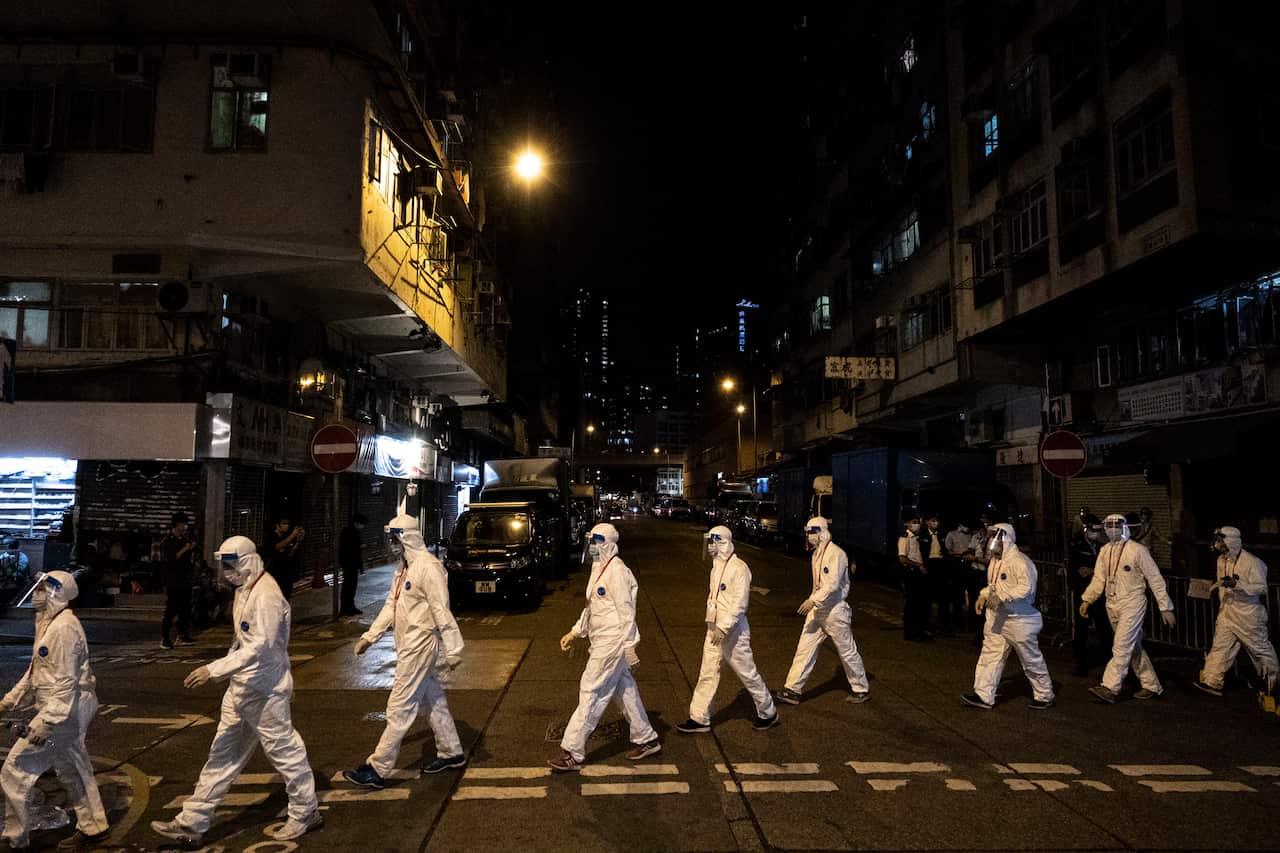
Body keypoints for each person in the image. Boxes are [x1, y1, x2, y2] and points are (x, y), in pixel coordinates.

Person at [151, 536, 320, 847]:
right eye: (225, 566)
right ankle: (192, 821)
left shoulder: (266, 594)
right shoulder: (245, 590)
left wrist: (213, 669)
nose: (227, 572)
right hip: (240, 688)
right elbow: (241, 641)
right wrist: (228, 669)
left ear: (246, 562)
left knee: (284, 752)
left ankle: (305, 810)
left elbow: (261, 646)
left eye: (231, 565)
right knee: (221, 756)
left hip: (265, 690)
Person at [344, 513, 466, 786]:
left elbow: (440, 610)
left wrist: (455, 648)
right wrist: (370, 637)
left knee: (399, 707)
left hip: (420, 646)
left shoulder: (428, 567)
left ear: (407, 537)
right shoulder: (404, 568)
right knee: (433, 700)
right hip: (408, 645)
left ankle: (378, 768)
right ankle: (451, 751)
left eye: (394, 539)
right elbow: (391, 605)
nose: (391, 545)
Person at [0, 571, 109, 851]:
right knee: (72, 767)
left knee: (16, 768)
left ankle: (15, 837)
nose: (35, 593)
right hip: (63, 707)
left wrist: (47, 724)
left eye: (41, 589)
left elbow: (66, 683)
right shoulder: (47, 622)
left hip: (66, 709)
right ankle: (95, 827)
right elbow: (35, 672)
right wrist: (8, 703)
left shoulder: (64, 629)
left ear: (56, 593)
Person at [549, 523, 660, 771]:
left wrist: (630, 644)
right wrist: (575, 631)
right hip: (601, 640)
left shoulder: (617, 571)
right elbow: (592, 607)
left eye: (597, 541)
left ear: (608, 543)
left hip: (612, 643)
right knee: (624, 690)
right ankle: (647, 738)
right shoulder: (600, 568)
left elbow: (626, 612)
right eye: (591, 540)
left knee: (591, 691)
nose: (592, 547)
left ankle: (572, 752)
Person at [676, 526, 778, 733]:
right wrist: (715, 626)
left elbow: (740, 603)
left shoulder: (739, 568)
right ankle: (699, 718)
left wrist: (723, 627)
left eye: (713, 542)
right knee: (708, 672)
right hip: (714, 629)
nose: (710, 547)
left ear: (722, 542)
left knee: (747, 673)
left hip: (733, 632)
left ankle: (768, 712)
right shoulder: (717, 567)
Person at [1079, 513, 1176, 704]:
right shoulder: (1105, 550)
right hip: (1111, 603)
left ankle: (1110, 686)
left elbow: (1155, 578)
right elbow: (1099, 579)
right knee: (1132, 647)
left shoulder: (1138, 550)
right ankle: (1151, 685)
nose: (1112, 529)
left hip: (1133, 602)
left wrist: (1165, 607)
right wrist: (1087, 600)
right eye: (1109, 525)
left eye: (1116, 525)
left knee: (1122, 645)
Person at [774, 517, 870, 705]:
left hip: (834, 611)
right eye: (807, 531)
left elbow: (832, 584)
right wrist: (814, 601)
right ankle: (792, 689)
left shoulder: (836, 554)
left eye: (811, 532)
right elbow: (819, 584)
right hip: (818, 611)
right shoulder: (817, 554)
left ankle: (861, 688)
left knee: (846, 650)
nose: (808, 536)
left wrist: (813, 600)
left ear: (821, 531)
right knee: (804, 649)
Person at [961, 524, 1055, 710]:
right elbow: (994, 585)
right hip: (998, 617)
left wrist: (1000, 597)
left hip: (1019, 619)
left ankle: (1045, 694)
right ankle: (983, 695)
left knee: (1030, 658)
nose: (991, 541)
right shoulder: (997, 561)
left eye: (995, 537)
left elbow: (1026, 588)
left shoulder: (1020, 562)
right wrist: (984, 595)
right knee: (990, 654)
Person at [1195, 526, 1279, 697]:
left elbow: (1262, 588)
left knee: (1260, 650)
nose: (1217, 544)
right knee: (1220, 647)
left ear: (1230, 541)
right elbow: (1221, 584)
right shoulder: (1222, 561)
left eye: (1220, 540)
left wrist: (1237, 585)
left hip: (1248, 615)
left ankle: (1274, 683)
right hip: (1228, 611)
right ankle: (1213, 681)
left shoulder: (1253, 562)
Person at [1069, 515, 1112, 677]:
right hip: (1082, 594)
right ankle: (1080, 662)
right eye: (1094, 530)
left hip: (1100, 594)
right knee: (1081, 629)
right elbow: (1077, 571)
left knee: (1104, 628)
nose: (1096, 534)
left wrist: (1093, 570)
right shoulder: (1078, 547)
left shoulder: (1103, 547)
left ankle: (1109, 660)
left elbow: (1104, 568)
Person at [159, 512, 197, 649]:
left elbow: (188, 560)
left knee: (185, 609)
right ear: (176, 524)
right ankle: (165, 638)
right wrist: (185, 549)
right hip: (173, 581)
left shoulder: (184, 539)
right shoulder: (167, 541)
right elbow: (170, 559)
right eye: (183, 523)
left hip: (185, 580)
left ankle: (182, 635)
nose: (185, 526)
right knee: (171, 609)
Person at [897, 516, 930, 642]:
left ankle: (918, 630)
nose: (917, 525)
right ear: (908, 524)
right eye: (914, 522)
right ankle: (910, 632)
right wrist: (918, 565)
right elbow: (902, 558)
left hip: (918, 573)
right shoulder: (905, 538)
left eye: (918, 523)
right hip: (911, 573)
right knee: (912, 603)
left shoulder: (916, 538)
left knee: (919, 603)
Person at [923, 514, 955, 635]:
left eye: (937, 521)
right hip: (929, 564)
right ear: (927, 522)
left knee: (943, 598)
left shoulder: (942, 534)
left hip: (941, 565)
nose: (935, 523)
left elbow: (947, 549)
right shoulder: (922, 535)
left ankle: (944, 625)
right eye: (933, 520)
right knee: (927, 598)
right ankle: (927, 625)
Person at [264, 517, 304, 602]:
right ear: (277, 525)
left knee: (286, 598)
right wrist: (292, 535)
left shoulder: (285, 537)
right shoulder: (271, 536)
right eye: (284, 523)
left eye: (288, 524)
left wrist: (298, 541)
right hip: (275, 572)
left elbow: (290, 553)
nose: (287, 526)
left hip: (286, 573)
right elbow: (277, 547)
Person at [338, 514, 367, 617]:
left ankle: (350, 606)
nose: (362, 526)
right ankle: (345, 608)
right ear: (357, 523)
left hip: (350, 563)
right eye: (361, 524)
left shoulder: (351, 532)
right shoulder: (350, 532)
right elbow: (352, 549)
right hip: (349, 563)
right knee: (348, 586)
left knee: (351, 586)